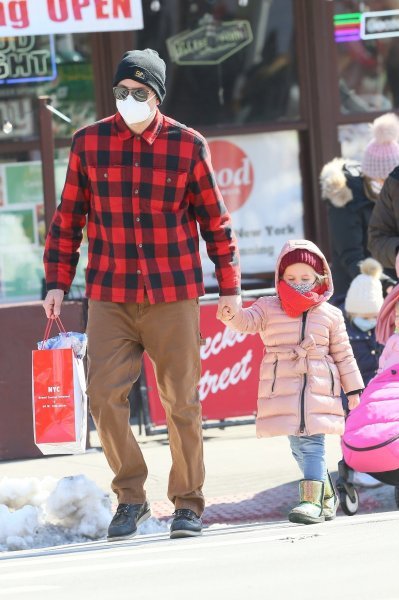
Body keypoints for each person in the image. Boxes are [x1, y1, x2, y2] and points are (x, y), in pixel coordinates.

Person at [42, 48, 242, 541]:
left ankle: (188, 504)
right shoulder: (88, 143)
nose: (129, 100)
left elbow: (215, 222)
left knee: (181, 402)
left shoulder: (187, 145)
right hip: (110, 292)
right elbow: (69, 218)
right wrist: (56, 280)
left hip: (173, 293)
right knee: (104, 397)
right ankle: (130, 497)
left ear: (157, 97)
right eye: (122, 92)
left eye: (140, 93)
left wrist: (229, 287)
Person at [219, 239, 364, 525]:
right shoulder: (268, 307)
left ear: (320, 278)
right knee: (297, 447)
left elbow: (344, 355)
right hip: (282, 386)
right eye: (291, 277)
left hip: (320, 386)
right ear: (280, 277)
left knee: (312, 445)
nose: (298, 283)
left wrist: (354, 390)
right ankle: (327, 497)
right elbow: (245, 322)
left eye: (305, 278)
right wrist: (231, 313)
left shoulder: (330, 315)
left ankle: (310, 500)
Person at [320, 112, 399, 301]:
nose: (384, 187)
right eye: (380, 181)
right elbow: (351, 256)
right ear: (368, 175)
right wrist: (384, 283)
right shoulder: (344, 196)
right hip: (353, 294)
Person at [341, 257, 384, 488]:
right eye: (363, 317)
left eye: (373, 317)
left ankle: (377, 467)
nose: (368, 321)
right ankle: (357, 469)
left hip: (378, 394)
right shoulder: (346, 334)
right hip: (355, 395)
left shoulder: (384, 332)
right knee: (355, 433)